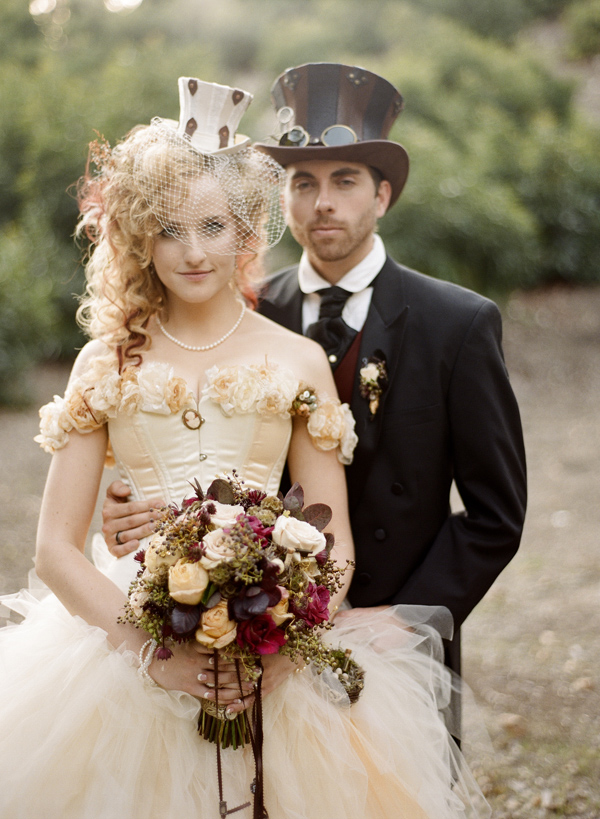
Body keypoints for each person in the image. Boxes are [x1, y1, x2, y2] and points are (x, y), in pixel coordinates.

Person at [0, 77, 487, 818]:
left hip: (273, 644)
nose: (193, 252)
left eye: (214, 227)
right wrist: (155, 653)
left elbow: (337, 543)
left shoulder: (296, 359)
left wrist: (285, 650)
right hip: (126, 645)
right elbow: (54, 551)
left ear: (247, 229)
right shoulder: (105, 361)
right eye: (168, 230)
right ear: (138, 236)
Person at [103, 63, 527, 681]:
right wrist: (131, 504)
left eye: (346, 181)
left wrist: (409, 616)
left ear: (383, 195)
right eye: (303, 182)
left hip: (397, 632)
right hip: (250, 622)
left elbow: (498, 513)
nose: (323, 202)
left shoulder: (456, 324)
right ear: (281, 197)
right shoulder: (237, 311)